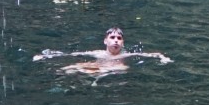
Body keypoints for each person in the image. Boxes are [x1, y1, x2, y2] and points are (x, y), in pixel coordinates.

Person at [35, 27, 171, 76]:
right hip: (99, 66)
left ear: (123, 42)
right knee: (70, 68)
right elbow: (72, 54)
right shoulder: (98, 53)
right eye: (112, 37)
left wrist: (163, 58)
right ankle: (56, 76)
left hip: (115, 68)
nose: (116, 40)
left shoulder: (127, 54)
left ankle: (95, 76)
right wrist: (45, 56)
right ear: (105, 41)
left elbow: (152, 54)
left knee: (122, 68)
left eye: (119, 38)